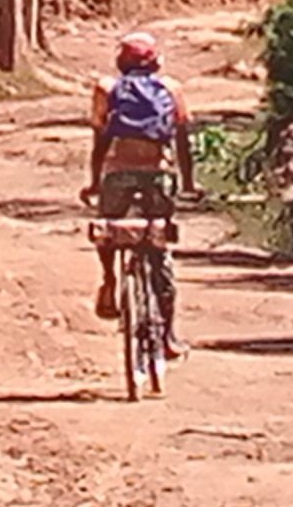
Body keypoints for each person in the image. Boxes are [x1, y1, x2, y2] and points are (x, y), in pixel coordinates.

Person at [82, 32, 199, 358]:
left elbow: (100, 140)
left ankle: (108, 279)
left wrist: (94, 181)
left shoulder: (106, 89)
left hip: (117, 174)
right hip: (159, 175)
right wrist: (188, 182)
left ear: (121, 62)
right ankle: (169, 337)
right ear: (156, 62)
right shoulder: (171, 89)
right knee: (159, 248)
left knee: (107, 227)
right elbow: (182, 141)